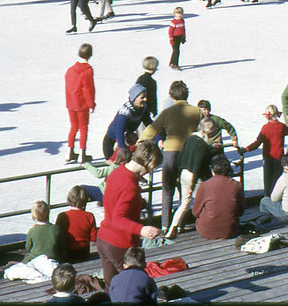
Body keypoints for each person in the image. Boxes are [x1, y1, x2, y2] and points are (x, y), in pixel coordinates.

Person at [96, 141, 162, 287]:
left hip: (103, 239)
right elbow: (118, 219)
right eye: (152, 167)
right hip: (119, 244)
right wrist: (142, 230)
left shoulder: (118, 172)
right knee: (133, 286)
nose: (151, 171)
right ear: (148, 163)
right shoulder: (130, 185)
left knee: (112, 288)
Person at [138, 81, 201, 231]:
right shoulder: (196, 111)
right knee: (184, 190)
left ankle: (165, 225)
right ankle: (179, 223)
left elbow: (152, 129)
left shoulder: (168, 112)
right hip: (188, 153)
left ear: (171, 95)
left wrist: (142, 139)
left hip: (170, 152)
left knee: (167, 189)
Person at [163, 117, 215, 239]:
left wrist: (177, 175)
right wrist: (195, 182)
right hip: (193, 176)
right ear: (208, 132)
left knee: (184, 203)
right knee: (205, 201)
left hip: (183, 173)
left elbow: (181, 157)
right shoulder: (203, 146)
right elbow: (198, 165)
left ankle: (172, 228)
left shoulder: (189, 139)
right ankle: (209, 225)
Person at [192, 154, 245, 239]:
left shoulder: (204, 186)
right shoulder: (237, 185)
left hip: (207, 230)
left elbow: (195, 212)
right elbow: (241, 211)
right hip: (230, 230)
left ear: (213, 170)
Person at [64, 44, 96, 164]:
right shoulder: (87, 70)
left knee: (73, 127)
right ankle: (82, 154)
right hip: (81, 104)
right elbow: (88, 88)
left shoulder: (71, 69)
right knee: (83, 128)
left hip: (71, 102)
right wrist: (91, 104)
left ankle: (69, 151)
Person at [102, 85, 153, 161]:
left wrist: (159, 138)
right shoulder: (125, 112)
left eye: (145, 97)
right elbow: (119, 132)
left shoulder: (143, 108)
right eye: (142, 97)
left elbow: (150, 125)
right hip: (111, 139)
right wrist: (123, 150)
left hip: (128, 139)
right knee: (114, 165)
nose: (145, 99)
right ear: (134, 98)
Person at [55, 186, 97, 263]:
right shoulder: (89, 216)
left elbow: (57, 235)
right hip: (83, 253)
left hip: (66, 253)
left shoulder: (62, 216)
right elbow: (94, 238)